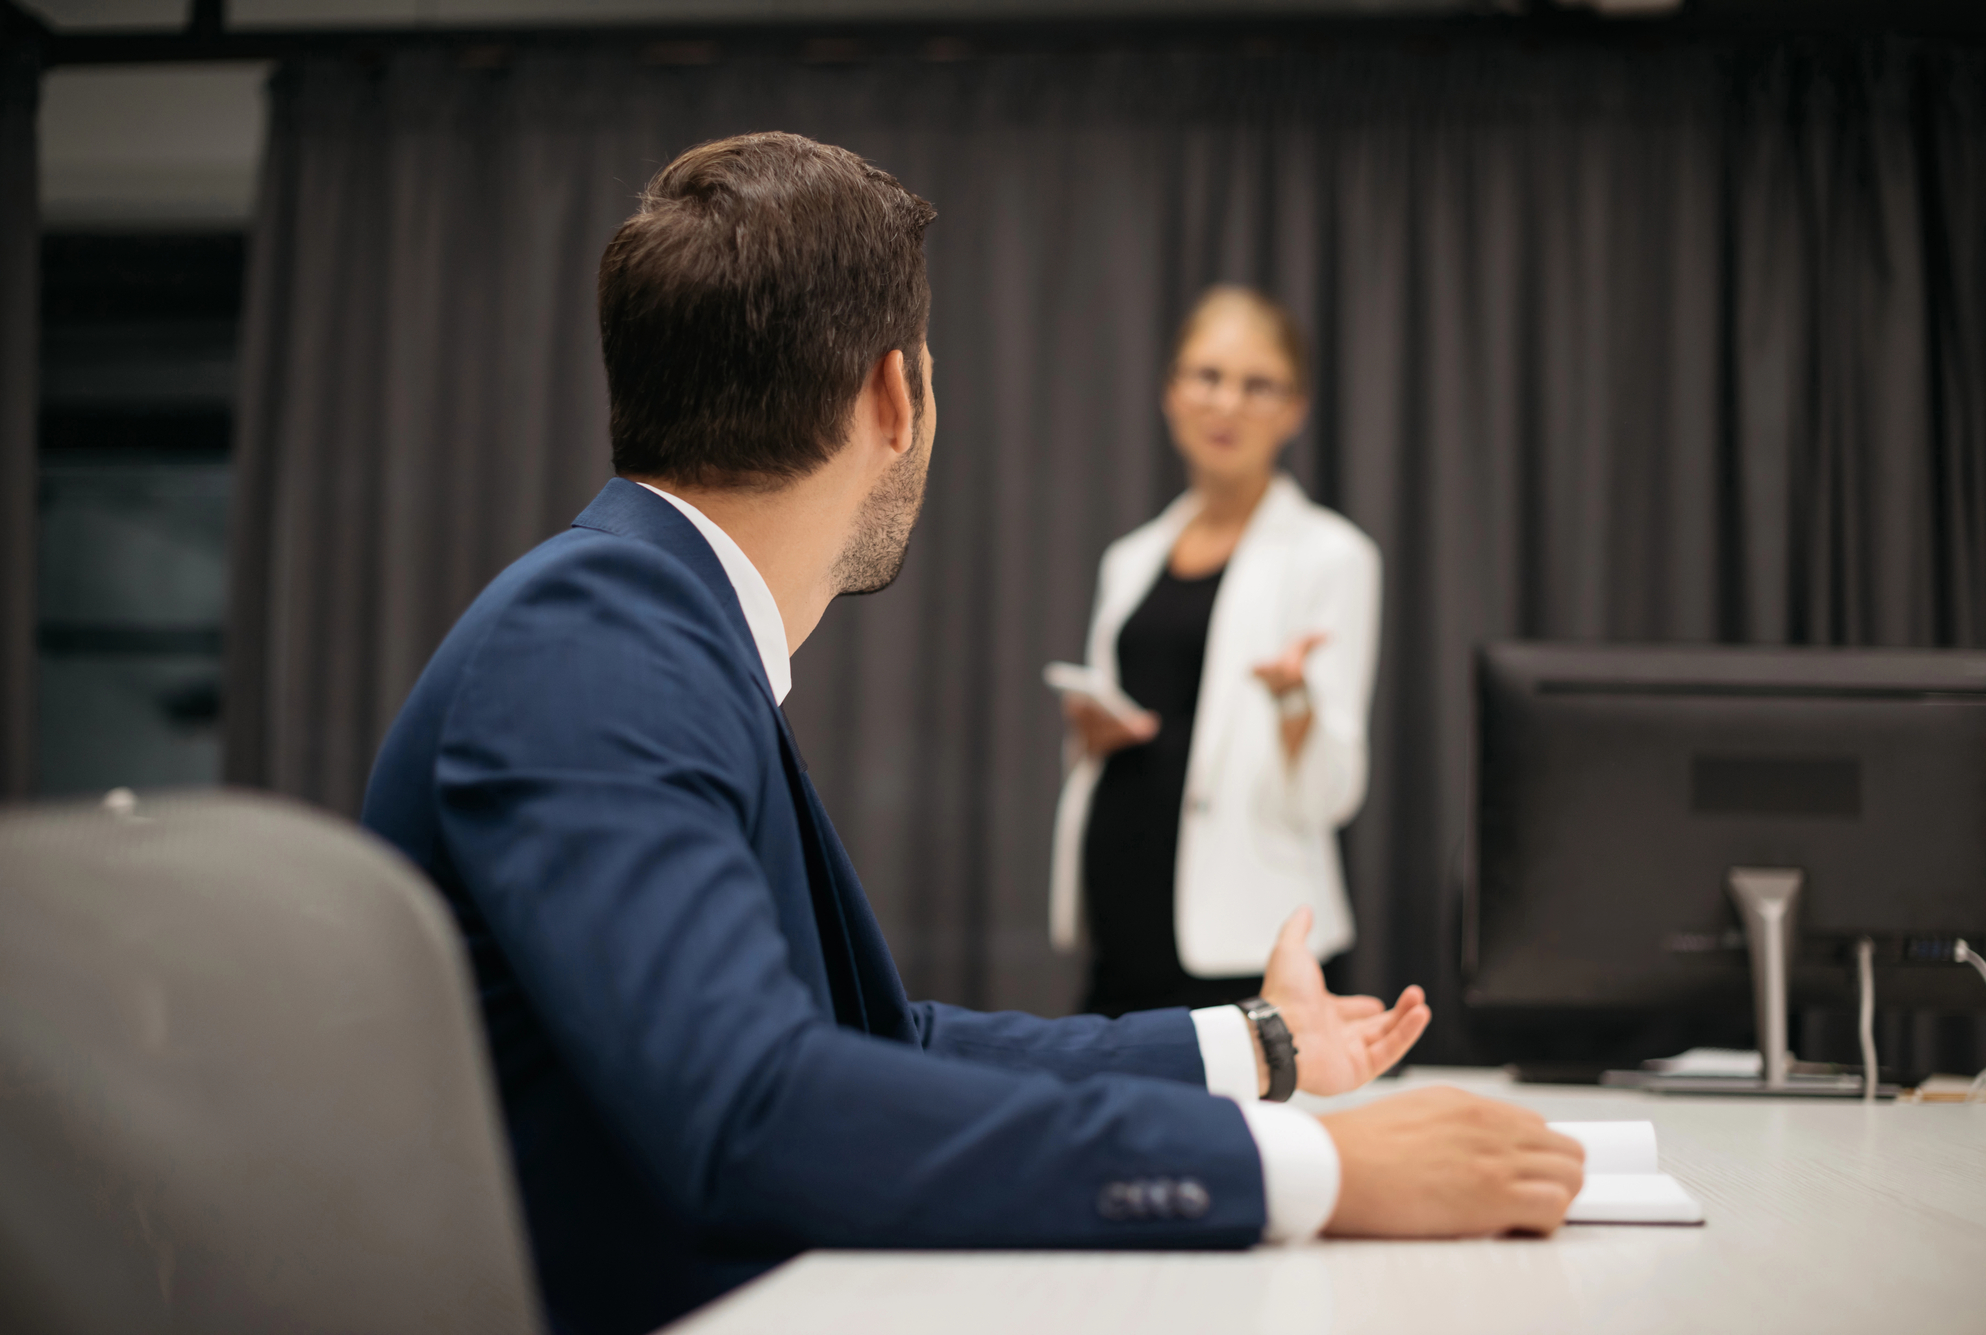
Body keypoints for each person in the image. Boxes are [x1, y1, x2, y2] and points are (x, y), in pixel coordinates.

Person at [360, 132, 1584, 1335]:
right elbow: (760, 1109)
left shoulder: (643, 623)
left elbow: (867, 1047)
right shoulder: (596, 648)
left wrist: (1256, 1045)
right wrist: (1311, 1176)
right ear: (894, 395)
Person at [1051, 287, 1378, 1017]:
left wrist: (1294, 701)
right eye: (1207, 376)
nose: (1226, 403)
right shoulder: (1130, 559)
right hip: (1123, 921)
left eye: (1257, 385)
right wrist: (1094, 734)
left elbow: (1333, 790)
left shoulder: (1332, 557)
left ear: (1294, 409)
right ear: (1171, 393)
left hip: (1248, 938)